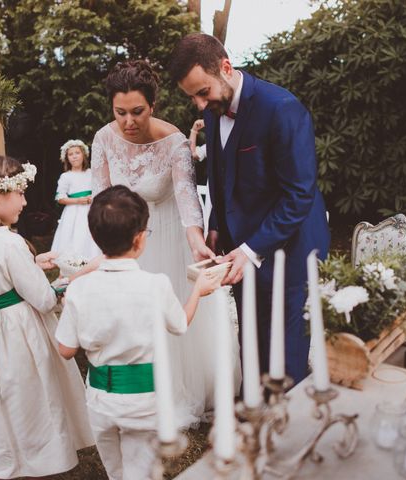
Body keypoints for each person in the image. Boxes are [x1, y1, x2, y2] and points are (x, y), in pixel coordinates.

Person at [169, 33, 331, 384]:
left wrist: (251, 249)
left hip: (292, 253)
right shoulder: (213, 113)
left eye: (202, 92)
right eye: (192, 96)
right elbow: (220, 176)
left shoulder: (282, 108)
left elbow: (299, 195)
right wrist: (215, 228)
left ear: (226, 68)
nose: (199, 104)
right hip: (241, 251)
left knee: (286, 359)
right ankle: (258, 427)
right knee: (253, 347)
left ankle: (292, 431)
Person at [91, 60, 241, 426]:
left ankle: (178, 388)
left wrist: (196, 240)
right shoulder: (103, 138)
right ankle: (133, 385)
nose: (128, 121)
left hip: (171, 233)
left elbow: (188, 197)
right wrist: (103, 253)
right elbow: (100, 199)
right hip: (126, 237)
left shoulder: (174, 142)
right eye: (120, 112)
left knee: (172, 310)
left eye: (137, 112)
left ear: (152, 106)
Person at [0, 152, 94, 479]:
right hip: (18, 335)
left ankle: (5, 453)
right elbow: (41, 299)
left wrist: (32, 265)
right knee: (31, 397)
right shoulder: (8, 243)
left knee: (3, 397)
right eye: (20, 193)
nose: (25, 202)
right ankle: (40, 454)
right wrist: (69, 280)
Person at [55, 185, 221, 480]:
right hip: (143, 401)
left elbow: (66, 350)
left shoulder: (79, 288)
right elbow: (179, 324)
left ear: (95, 237)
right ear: (140, 239)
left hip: (99, 400)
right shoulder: (155, 284)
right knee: (141, 473)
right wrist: (197, 290)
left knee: (115, 471)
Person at [50, 139, 101, 260]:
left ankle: (92, 259)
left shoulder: (91, 173)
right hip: (73, 212)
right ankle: (74, 261)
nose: (74, 157)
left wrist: (92, 198)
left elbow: (99, 189)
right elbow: (60, 197)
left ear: (84, 154)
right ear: (67, 158)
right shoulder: (66, 176)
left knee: (89, 233)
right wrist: (78, 201)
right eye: (70, 154)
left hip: (90, 209)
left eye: (77, 153)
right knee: (75, 235)